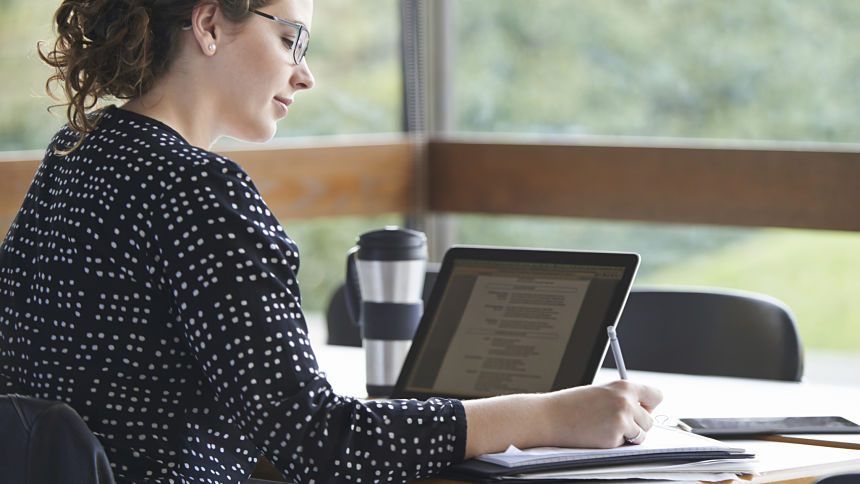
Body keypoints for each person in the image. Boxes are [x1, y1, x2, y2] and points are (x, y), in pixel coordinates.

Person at [0, 0, 663, 482]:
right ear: (208, 25)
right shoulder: (201, 193)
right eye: (291, 40)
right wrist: (549, 417)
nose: (304, 74)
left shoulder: (73, 156)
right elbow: (320, 444)